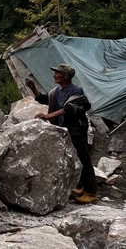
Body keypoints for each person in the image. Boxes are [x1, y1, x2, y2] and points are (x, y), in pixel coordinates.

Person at [26, 63, 97, 204]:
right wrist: (33, 88)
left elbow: (69, 108)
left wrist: (48, 116)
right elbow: (43, 99)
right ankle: (82, 186)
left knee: (83, 160)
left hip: (76, 130)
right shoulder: (56, 91)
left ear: (66, 76)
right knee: (75, 159)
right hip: (64, 129)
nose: (54, 75)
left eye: (57, 73)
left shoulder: (77, 91)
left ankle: (91, 192)